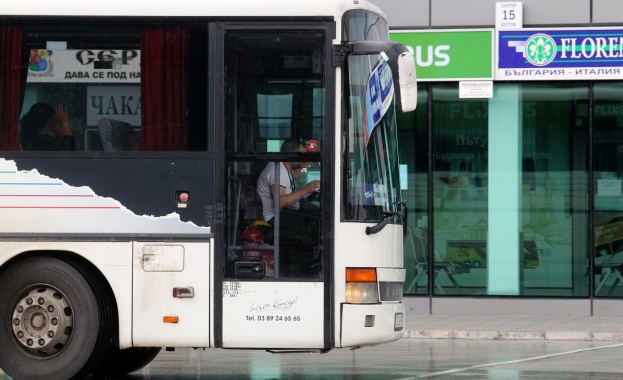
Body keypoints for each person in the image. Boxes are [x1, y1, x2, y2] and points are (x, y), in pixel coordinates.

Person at [256, 139, 321, 222]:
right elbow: (280, 203)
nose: (305, 157)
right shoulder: (277, 171)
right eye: (303, 155)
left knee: (313, 210)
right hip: (274, 220)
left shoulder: (285, 168)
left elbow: (297, 173)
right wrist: (305, 189)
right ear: (291, 154)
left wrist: (308, 162)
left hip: (283, 215)